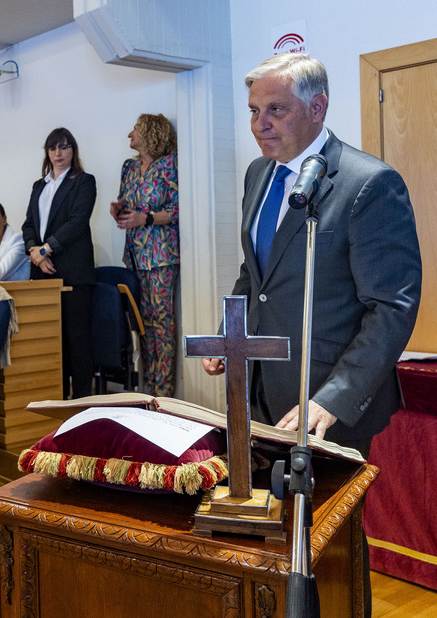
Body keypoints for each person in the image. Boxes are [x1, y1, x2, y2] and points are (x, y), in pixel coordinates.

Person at [203, 54, 422, 615]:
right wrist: (232, 333)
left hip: (326, 400)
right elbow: (257, 273)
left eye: (275, 110)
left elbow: (391, 306)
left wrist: (334, 397)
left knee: (328, 547)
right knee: (274, 543)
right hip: (256, 391)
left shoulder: (368, 184)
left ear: (317, 107)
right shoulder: (258, 174)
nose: (260, 124)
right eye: (254, 111)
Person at [21, 127, 97, 399]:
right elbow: (29, 224)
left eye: (64, 147)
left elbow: (77, 223)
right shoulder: (39, 186)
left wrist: (46, 248)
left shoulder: (83, 181)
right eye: (53, 148)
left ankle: (81, 403)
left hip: (73, 272)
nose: (58, 153)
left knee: (77, 342)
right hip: (43, 272)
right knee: (50, 342)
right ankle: (54, 400)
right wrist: (35, 252)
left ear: (73, 150)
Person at [109, 114, 179, 396]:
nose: (130, 135)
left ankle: (162, 393)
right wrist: (119, 210)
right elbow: (127, 202)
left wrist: (146, 218)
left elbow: (178, 208)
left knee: (162, 325)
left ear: (150, 133)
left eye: (135, 129)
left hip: (160, 255)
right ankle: (145, 389)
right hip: (134, 254)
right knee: (142, 324)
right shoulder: (129, 167)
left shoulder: (169, 166)